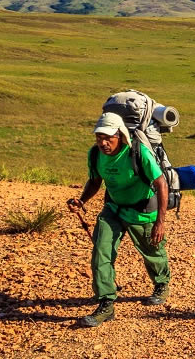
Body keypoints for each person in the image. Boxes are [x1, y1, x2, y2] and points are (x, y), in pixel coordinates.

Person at [67, 112, 171, 327]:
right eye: (99, 138)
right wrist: (82, 201)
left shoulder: (137, 152)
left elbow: (161, 184)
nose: (103, 143)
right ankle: (106, 304)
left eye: (108, 138)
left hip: (142, 210)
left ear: (120, 136)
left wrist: (160, 222)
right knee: (100, 253)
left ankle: (161, 283)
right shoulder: (95, 154)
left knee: (153, 251)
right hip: (113, 209)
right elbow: (95, 182)